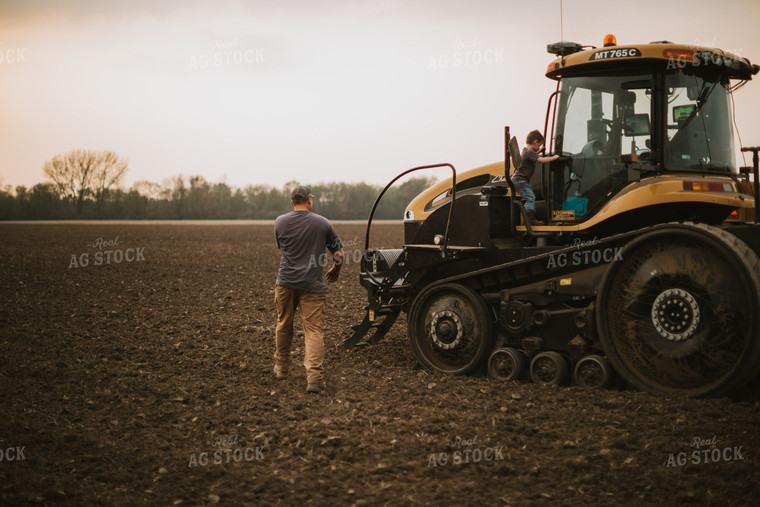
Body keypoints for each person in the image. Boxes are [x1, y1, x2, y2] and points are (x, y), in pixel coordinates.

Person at [273, 185, 344, 394]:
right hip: (312, 285)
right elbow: (339, 253)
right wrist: (336, 270)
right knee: (313, 331)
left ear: (292, 202)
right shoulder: (322, 223)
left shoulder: (280, 222)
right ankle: (314, 379)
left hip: (285, 283)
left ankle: (282, 368)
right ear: (309, 201)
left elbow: (283, 249)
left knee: (284, 323)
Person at [511, 130, 559, 226]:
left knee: (529, 197)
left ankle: (529, 218)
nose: (539, 147)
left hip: (518, 179)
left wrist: (540, 150)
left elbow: (535, 154)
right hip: (520, 180)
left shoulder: (526, 151)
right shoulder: (529, 152)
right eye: (539, 145)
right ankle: (530, 220)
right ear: (535, 142)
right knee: (530, 198)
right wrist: (555, 157)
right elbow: (541, 160)